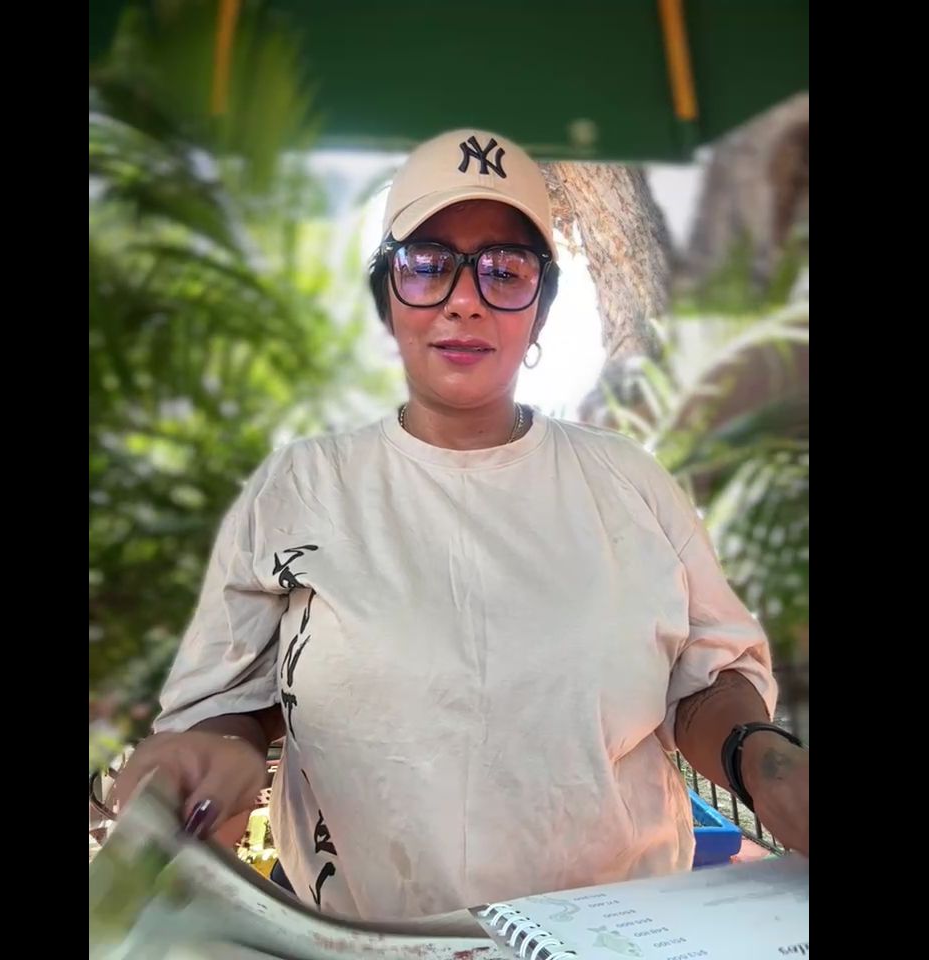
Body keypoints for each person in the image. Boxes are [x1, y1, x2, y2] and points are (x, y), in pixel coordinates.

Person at [114, 129, 809, 921]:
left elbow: (705, 682)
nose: (465, 298)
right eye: (428, 262)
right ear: (389, 296)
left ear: (540, 310)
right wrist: (217, 752)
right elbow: (232, 700)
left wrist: (765, 761)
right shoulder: (302, 487)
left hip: (619, 932)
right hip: (366, 938)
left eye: (505, 270)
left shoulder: (629, 483)